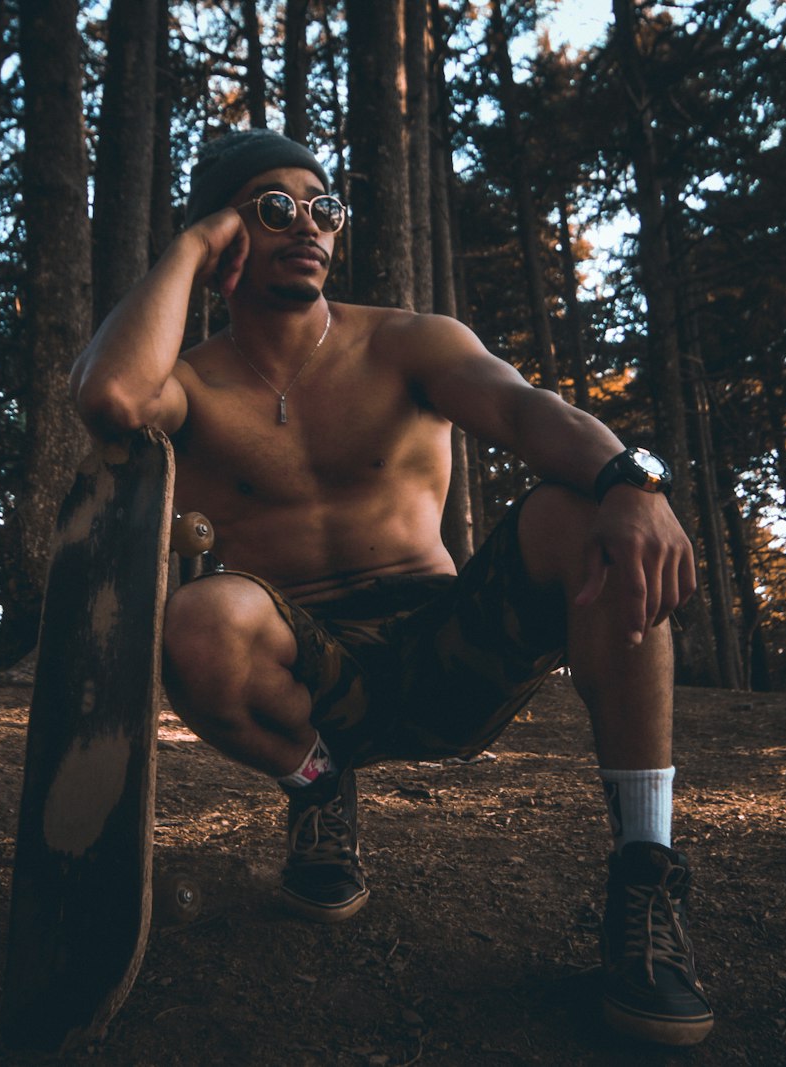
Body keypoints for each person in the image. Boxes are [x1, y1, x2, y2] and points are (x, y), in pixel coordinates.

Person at [71, 129, 713, 1047]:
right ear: (226, 237)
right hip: (315, 673)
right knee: (201, 617)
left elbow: (529, 410)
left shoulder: (408, 342)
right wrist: (187, 248)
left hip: (447, 643)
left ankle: (646, 879)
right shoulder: (193, 387)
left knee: (590, 517)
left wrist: (631, 481)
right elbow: (111, 401)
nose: (311, 225)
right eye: (275, 206)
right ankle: (319, 789)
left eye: (324, 206)